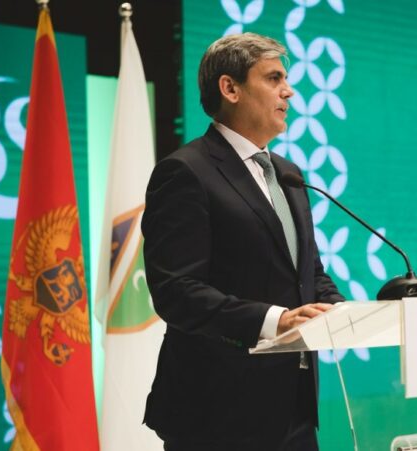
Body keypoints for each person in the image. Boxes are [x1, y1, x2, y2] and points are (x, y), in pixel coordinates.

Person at [141, 32, 344, 451]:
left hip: (294, 411)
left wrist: (342, 311)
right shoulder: (186, 172)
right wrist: (275, 320)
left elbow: (307, 273)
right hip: (217, 416)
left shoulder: (288, 174)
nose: (288, 91)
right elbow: (176, 292)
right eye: (273, 78)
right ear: (230, 88)